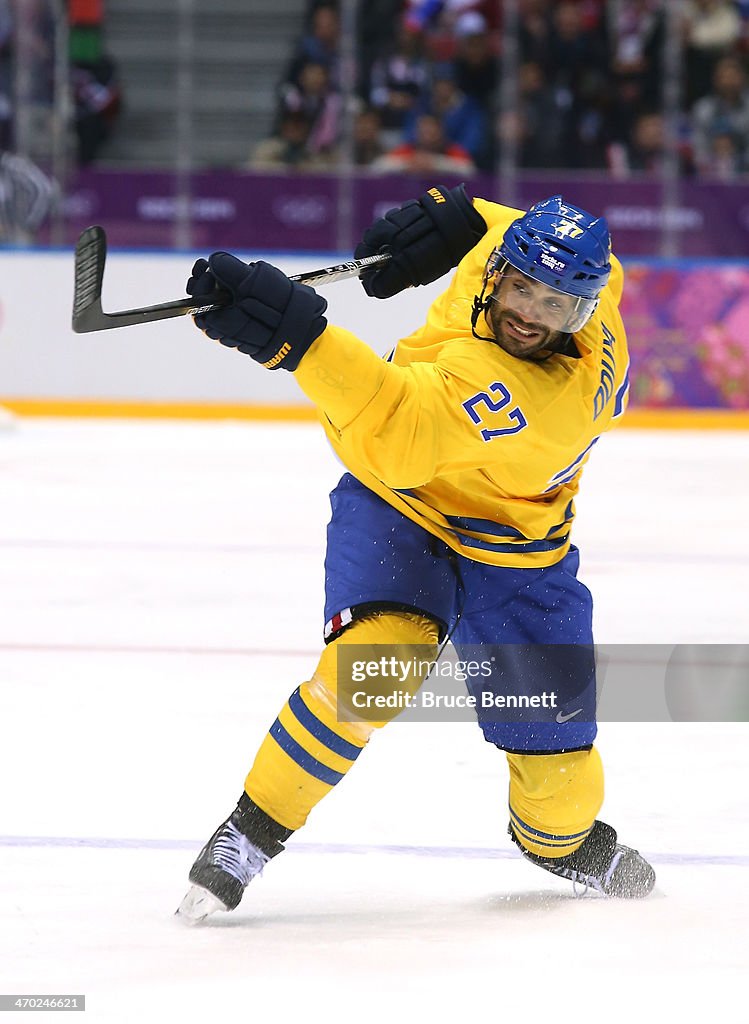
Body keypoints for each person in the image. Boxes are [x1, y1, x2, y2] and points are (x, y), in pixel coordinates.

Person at [176, 185, 656, 923]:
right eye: (520, 286)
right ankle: (252, 828)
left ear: (583, 313)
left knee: (558, 775)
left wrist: (299, 343)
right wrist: (460, 212)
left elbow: (395, 433)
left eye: (554, 306)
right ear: (497, 268)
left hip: (516, 558)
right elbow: (508, 227)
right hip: (401, 520)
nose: (529, 313)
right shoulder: (590, 272)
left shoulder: (542, 398)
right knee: (370, 674)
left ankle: (557, 842)